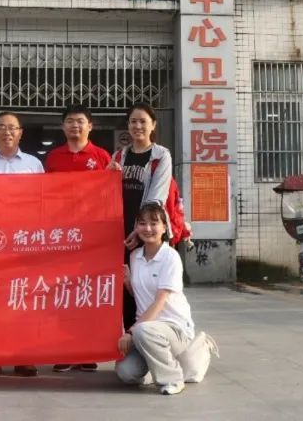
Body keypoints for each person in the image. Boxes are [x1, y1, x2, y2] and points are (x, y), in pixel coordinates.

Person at [45, 103, 111, 372]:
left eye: (80, 121)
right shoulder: (53, 157)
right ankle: (65, 351)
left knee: (88, 293)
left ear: (90, 126)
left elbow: (109, 196)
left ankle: (87, 351)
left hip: (92, 238)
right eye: (70, 121)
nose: (75, 125)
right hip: (61, 237)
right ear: (63, 126)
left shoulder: (102, 156)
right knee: (63, 293)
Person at [0, 111, 43, 378]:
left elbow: (43, 201)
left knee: (23, 298)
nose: (7, 132)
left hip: (24, 243)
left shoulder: (33, 164)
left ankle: (23, 357)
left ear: (20, 133)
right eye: (1, 127)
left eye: (12, 128)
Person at [115, 201, 196, 396]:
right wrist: (128, 283)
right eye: (142, 223)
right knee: (126, 372)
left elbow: (160, 301)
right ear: (136, 227)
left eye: (154, 223)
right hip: (147, 332)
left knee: (143, 330)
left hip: (174, 329)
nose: (148, 228)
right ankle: (157, 366)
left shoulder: (170, 257)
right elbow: (140, 295)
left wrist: (131, 332)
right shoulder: (135, 256)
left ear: (164, 228)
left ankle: (173, 379)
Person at [110, 102, 173, 332]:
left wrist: (139, 230)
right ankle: (130, 338)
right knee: (126, 288)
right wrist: (107, 176)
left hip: (148, 233)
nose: (138, 126)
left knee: (148, 288)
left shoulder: (161, 155)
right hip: (121, 234)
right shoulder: (119, 155)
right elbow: (107, 193)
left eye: (143, 121)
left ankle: (152, 336)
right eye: (133, 121)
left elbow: (156, 198)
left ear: (153, 125)